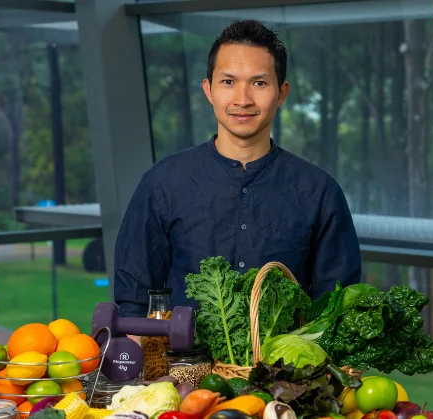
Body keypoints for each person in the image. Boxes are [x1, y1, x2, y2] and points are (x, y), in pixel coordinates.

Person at [114, 19, 361, 318]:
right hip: (183, 364)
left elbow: (337, 309)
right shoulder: (162, 183)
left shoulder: (319, 192)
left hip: (284, 366)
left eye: (259, 83)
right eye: (228, 81)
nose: (242, 100)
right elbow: (133, 299)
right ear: (209, 89)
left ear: (281, 93)